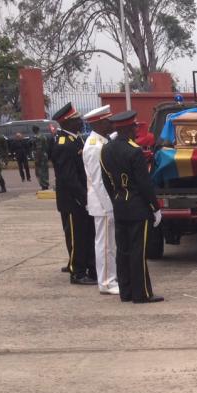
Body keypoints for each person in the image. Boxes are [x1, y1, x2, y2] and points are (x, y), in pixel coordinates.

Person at [100, 110, 164, 304]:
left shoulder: (106, 149)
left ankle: (126, 291)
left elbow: (106, 181)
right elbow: (144, 184)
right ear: (128, 128)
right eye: (134, 126)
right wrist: (155, 207)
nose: (136, 129)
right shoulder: (134, 151)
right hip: (137, 208)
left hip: (119, 204)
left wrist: (116, 199)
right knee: (138, 251)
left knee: (123, 250)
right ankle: (141, 293)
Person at [50, 102, 97, 285]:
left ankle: (84, 265)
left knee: (84, 235)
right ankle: (77, 273)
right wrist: (84, 198)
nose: (81, 122)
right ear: (67, 122)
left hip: (79, 198)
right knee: (76, 236)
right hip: (72, 201)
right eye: (77, 119)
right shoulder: (64, 144)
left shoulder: (75, 139)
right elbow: (68, 177)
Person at [81, 104, 120, 296]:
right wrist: (110, 207)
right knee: (105, 245)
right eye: (107, 121)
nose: (111, 124)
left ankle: (111, 277)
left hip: (105, 203)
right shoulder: (95, 147)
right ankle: (106, 282)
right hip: (103, 204)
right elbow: (99, 181)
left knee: (110, 245)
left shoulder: (101, 141)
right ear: (98, 123)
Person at [32, 124, 51, 190]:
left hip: (40, 156)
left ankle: (44, 185)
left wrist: (37, 159)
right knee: (45, 171)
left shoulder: (38, 137)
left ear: (34, 130)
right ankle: (45, 185)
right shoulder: (43, 136)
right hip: (44, 155)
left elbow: (39, 148)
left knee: (40, 171)